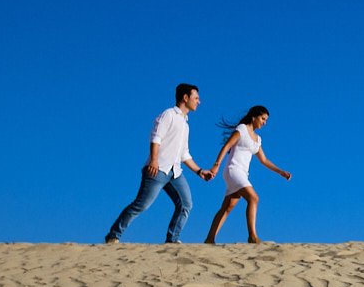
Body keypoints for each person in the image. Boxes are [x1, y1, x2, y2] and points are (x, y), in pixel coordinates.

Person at [105, 83, 214, 244]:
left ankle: (172, 239)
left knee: (186, 204)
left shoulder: (185, 125)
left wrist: (199, 171)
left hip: (175, 172)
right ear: (185, 98)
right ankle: (113, 235)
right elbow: (156, 137)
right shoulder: (168, 115)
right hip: (158, 169)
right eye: (196, 98)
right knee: (141, 205)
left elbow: (184, 154)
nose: (199, 101)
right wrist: (154, 161)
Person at [204, 105, 291, 243]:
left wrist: (280, 171)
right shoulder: (242, 129)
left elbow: (264, 160)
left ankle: (209, 239)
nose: (264, 122)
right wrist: (216, 165)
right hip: (233, 170)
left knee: (227, 207)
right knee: (253, 198)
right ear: (254, 117)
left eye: (266, 120)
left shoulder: (257, 139)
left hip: (243, 174)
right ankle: (252, 236)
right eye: (263, 119)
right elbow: (227, 146)